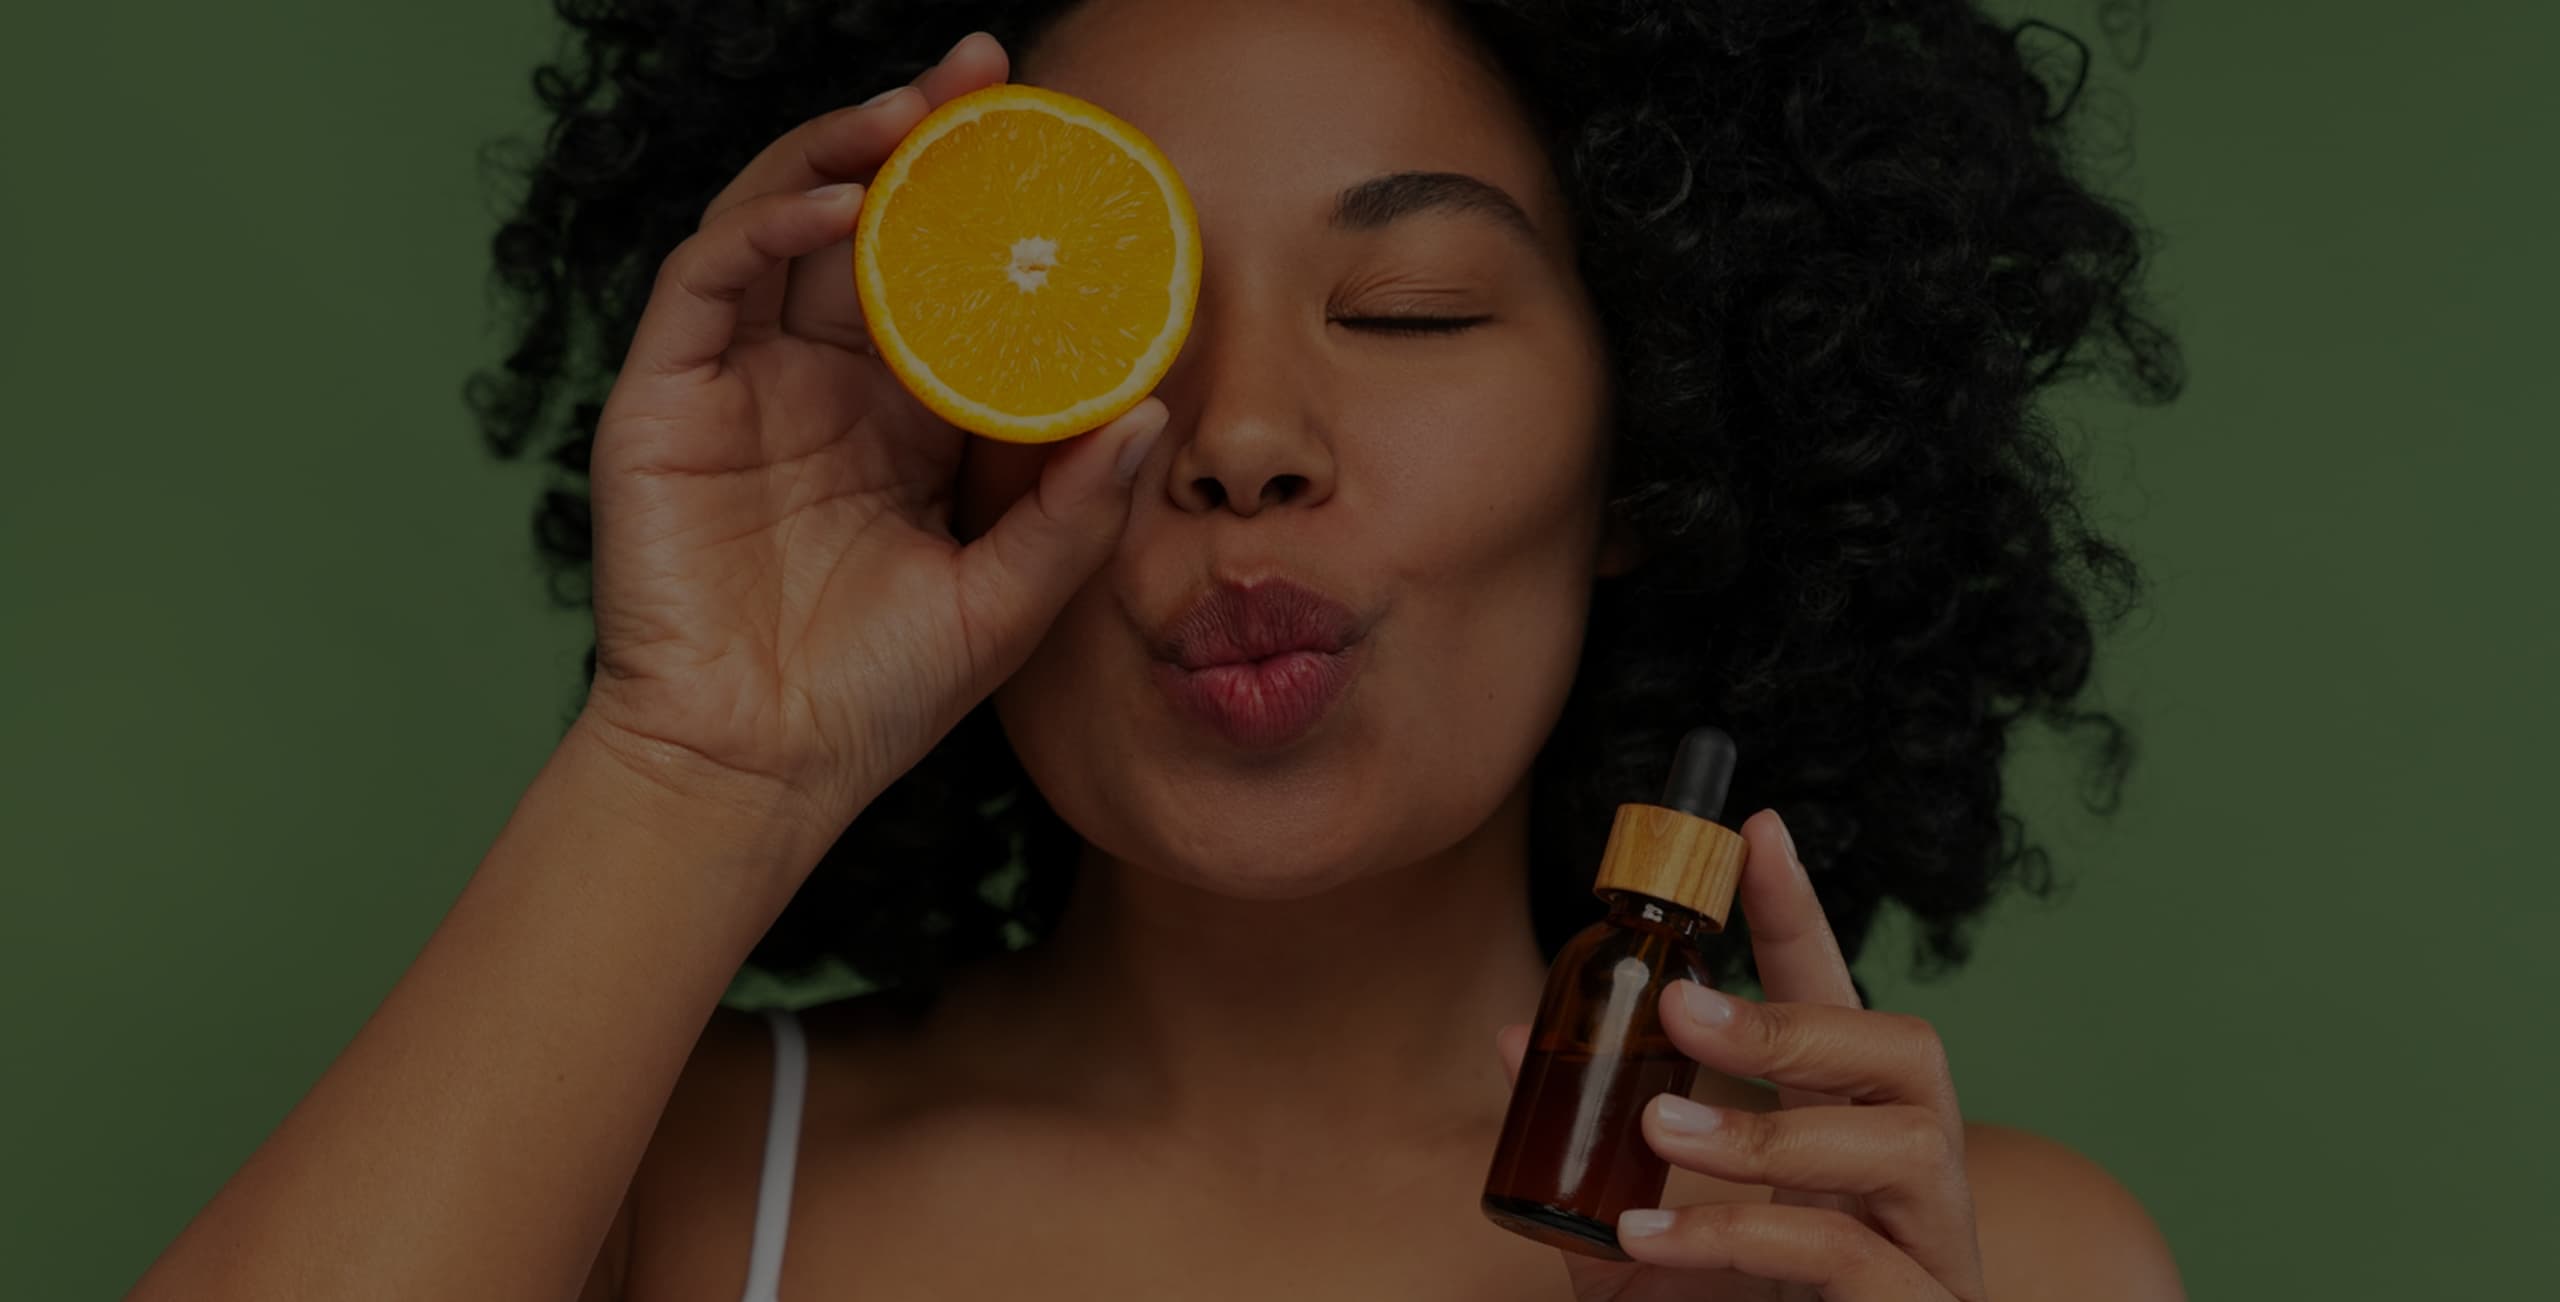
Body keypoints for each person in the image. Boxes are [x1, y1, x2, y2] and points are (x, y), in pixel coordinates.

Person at [129, 1, 2190, 1298]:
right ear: (944, 437)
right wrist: (701, 759)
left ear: (1656, 443)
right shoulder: (653, 1213)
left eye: (1404, 312)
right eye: (1106, 338)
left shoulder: (1994, 1265)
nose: (1242, 446)